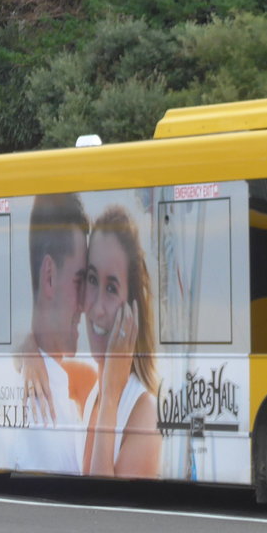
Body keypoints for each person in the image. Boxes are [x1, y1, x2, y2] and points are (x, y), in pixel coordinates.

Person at [13, 193, 97, 473]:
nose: (86, 304)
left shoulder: (62, 382)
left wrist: (26, 345)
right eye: (79, 281)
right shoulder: (52, 407)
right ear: (49, 276)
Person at [80, 204, 162, 478]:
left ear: (132, 310)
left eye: (112, 288)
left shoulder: (144, 414)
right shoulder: (92, 390)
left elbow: (104, 505)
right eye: (92, 279)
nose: (98, 307)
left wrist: (111, 399)